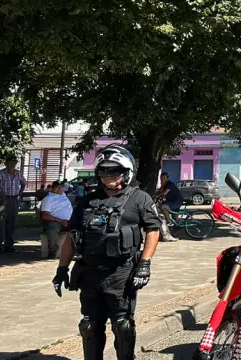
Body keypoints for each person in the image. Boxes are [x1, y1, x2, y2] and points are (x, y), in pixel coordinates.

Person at [51, 145, 162, 360]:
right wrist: (61, 269)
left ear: (126, 172)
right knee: (90, 326)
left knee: (122, 325)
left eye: (114, 171)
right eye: (103, 171)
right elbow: (72, 238)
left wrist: (145, 263)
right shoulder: (87, 202)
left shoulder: (139, 199)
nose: (108, 176)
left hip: (121, 273)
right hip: (89, 273)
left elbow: (153, 231)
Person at [0, 155, 27, 254]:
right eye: (11, 162)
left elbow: (24, 183)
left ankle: (9, 245)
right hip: (3, 200)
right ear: (6, 163)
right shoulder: (0, 174)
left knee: (12, 223)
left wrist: (20, 193)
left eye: (15, 163)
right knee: (1, 223)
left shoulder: (18, 174)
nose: (13, 164)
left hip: (14, 199)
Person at [40, 180, 73, 259]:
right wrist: (60, 221)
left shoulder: (63, 195)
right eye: (57, 187)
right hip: (55, 221)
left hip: (68, 220)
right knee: (52, 228)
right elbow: (45, 215)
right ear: (51, 188)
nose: (59, 189)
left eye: (61, 187)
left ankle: (77, 251)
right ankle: (53, 250)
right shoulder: (48, 199)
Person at [155, 172, 184, 242]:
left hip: (176, 201)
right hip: (173, 201)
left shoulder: (169, 184)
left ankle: (168, 222)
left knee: (163, 207)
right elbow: (160, 191)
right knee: (176, 219)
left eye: (164, 178)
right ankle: (177, 230)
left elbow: (164, 193)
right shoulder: (164, 185)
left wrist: (157, 195)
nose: (162, 180)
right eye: (161, 178)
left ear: (168, 178)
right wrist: (157, 193)